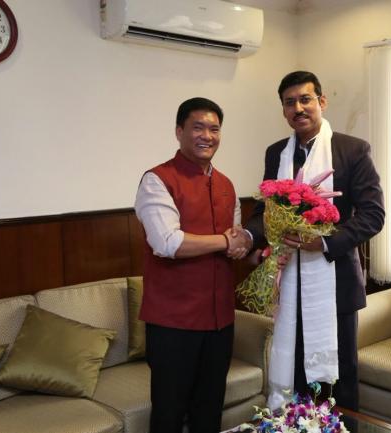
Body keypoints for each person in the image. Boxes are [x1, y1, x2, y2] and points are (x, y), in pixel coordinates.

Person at [246, 71, 385, 411]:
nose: (298, 108)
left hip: (335, 282)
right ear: (283, 110)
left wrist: (322, 242)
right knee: (295, 373)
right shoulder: (276, 153)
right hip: (288, 283)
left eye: (305, 99)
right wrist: (248, 236)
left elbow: (373, 215)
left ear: (322, 102)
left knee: (338, 379)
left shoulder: (352, 150)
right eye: (289, 102)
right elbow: (265, 211)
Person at [134, 97, 251, 433]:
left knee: (209, 411)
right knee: (169, 414)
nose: (207, 136)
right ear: (179, 131)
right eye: (198, 127)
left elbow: (234, 241)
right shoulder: (157, 180)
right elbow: (167, 243)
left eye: (214, 129)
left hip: (220, 321)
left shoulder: (226, 184)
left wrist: (249, 251)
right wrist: (227, 242)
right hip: (174, 323)